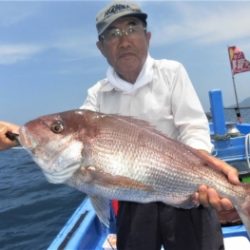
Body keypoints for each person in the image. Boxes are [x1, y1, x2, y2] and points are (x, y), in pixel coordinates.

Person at [0, 1, 240, 249]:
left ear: (147, 37)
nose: (124, 40)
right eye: (112, 34)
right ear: (101, 47)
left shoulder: (172, 72)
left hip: (182, 183)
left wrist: (202, 172)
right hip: (132, 197)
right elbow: (69, 139)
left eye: (132, 28)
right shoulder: (97, 95)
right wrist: (20, 133)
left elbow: (193, 127)